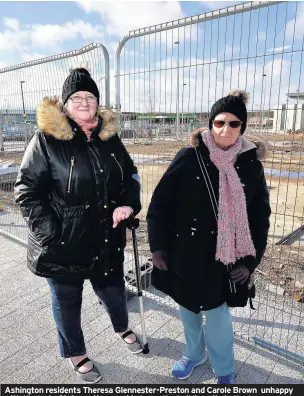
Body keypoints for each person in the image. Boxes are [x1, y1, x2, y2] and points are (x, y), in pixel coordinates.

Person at [15, 65, 142, 383]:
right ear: (65, 104)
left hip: (105, 239)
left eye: (90, 96)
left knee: (113, 292)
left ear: (98, 103)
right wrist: (51, 234)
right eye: (76, 97)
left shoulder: (110, 139)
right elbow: (27, 192)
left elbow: (130, 176)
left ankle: (122, 327)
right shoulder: (46, 140)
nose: (84, 102)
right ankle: (76, 353)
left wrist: (128, 203)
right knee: (67, 302)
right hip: (62, 245)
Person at [147, 90, 271, 384]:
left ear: (243, 127)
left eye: (234, 123)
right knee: (188, 308)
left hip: (224, 256)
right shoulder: (189, 157)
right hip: (185, 251)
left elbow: (259, 218)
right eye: (219, 122)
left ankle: (224, 368)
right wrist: (158, 248)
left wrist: (250, 261)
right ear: (210, 123)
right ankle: (194, 354)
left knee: (217, 317)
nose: (225, 129)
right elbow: (160, 203)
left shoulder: (251, 164)